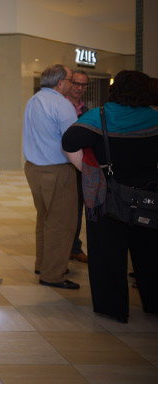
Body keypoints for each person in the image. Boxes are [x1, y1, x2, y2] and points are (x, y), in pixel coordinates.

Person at [62, 70, 158, 323]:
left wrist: (89, 170)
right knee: (150, 253)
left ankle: (113, 308)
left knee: (107, 255)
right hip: (150, 198)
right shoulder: (154, 117)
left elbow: (69, 141)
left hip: (108, 196)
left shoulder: (100, 116)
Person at [23, 64, 79, 289]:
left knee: (44, 219)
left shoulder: (33, 100)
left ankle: (43, 264)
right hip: (57, 170)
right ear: (60, 83)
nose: (73, 84)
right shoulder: (62, 105)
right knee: (61, 224)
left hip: (34, 169)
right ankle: (53, 274)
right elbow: (73, 142)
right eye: (70, 80)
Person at [65, 70, 90, 264]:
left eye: (83, 85)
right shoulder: (60, 105)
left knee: (79, 207)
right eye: (76, 84)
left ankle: (74, 247)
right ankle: (64, 248)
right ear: (68, 83)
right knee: (65, 210)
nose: (80, 88)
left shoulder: (86, 110)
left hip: (80, 166)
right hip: (62, 165)